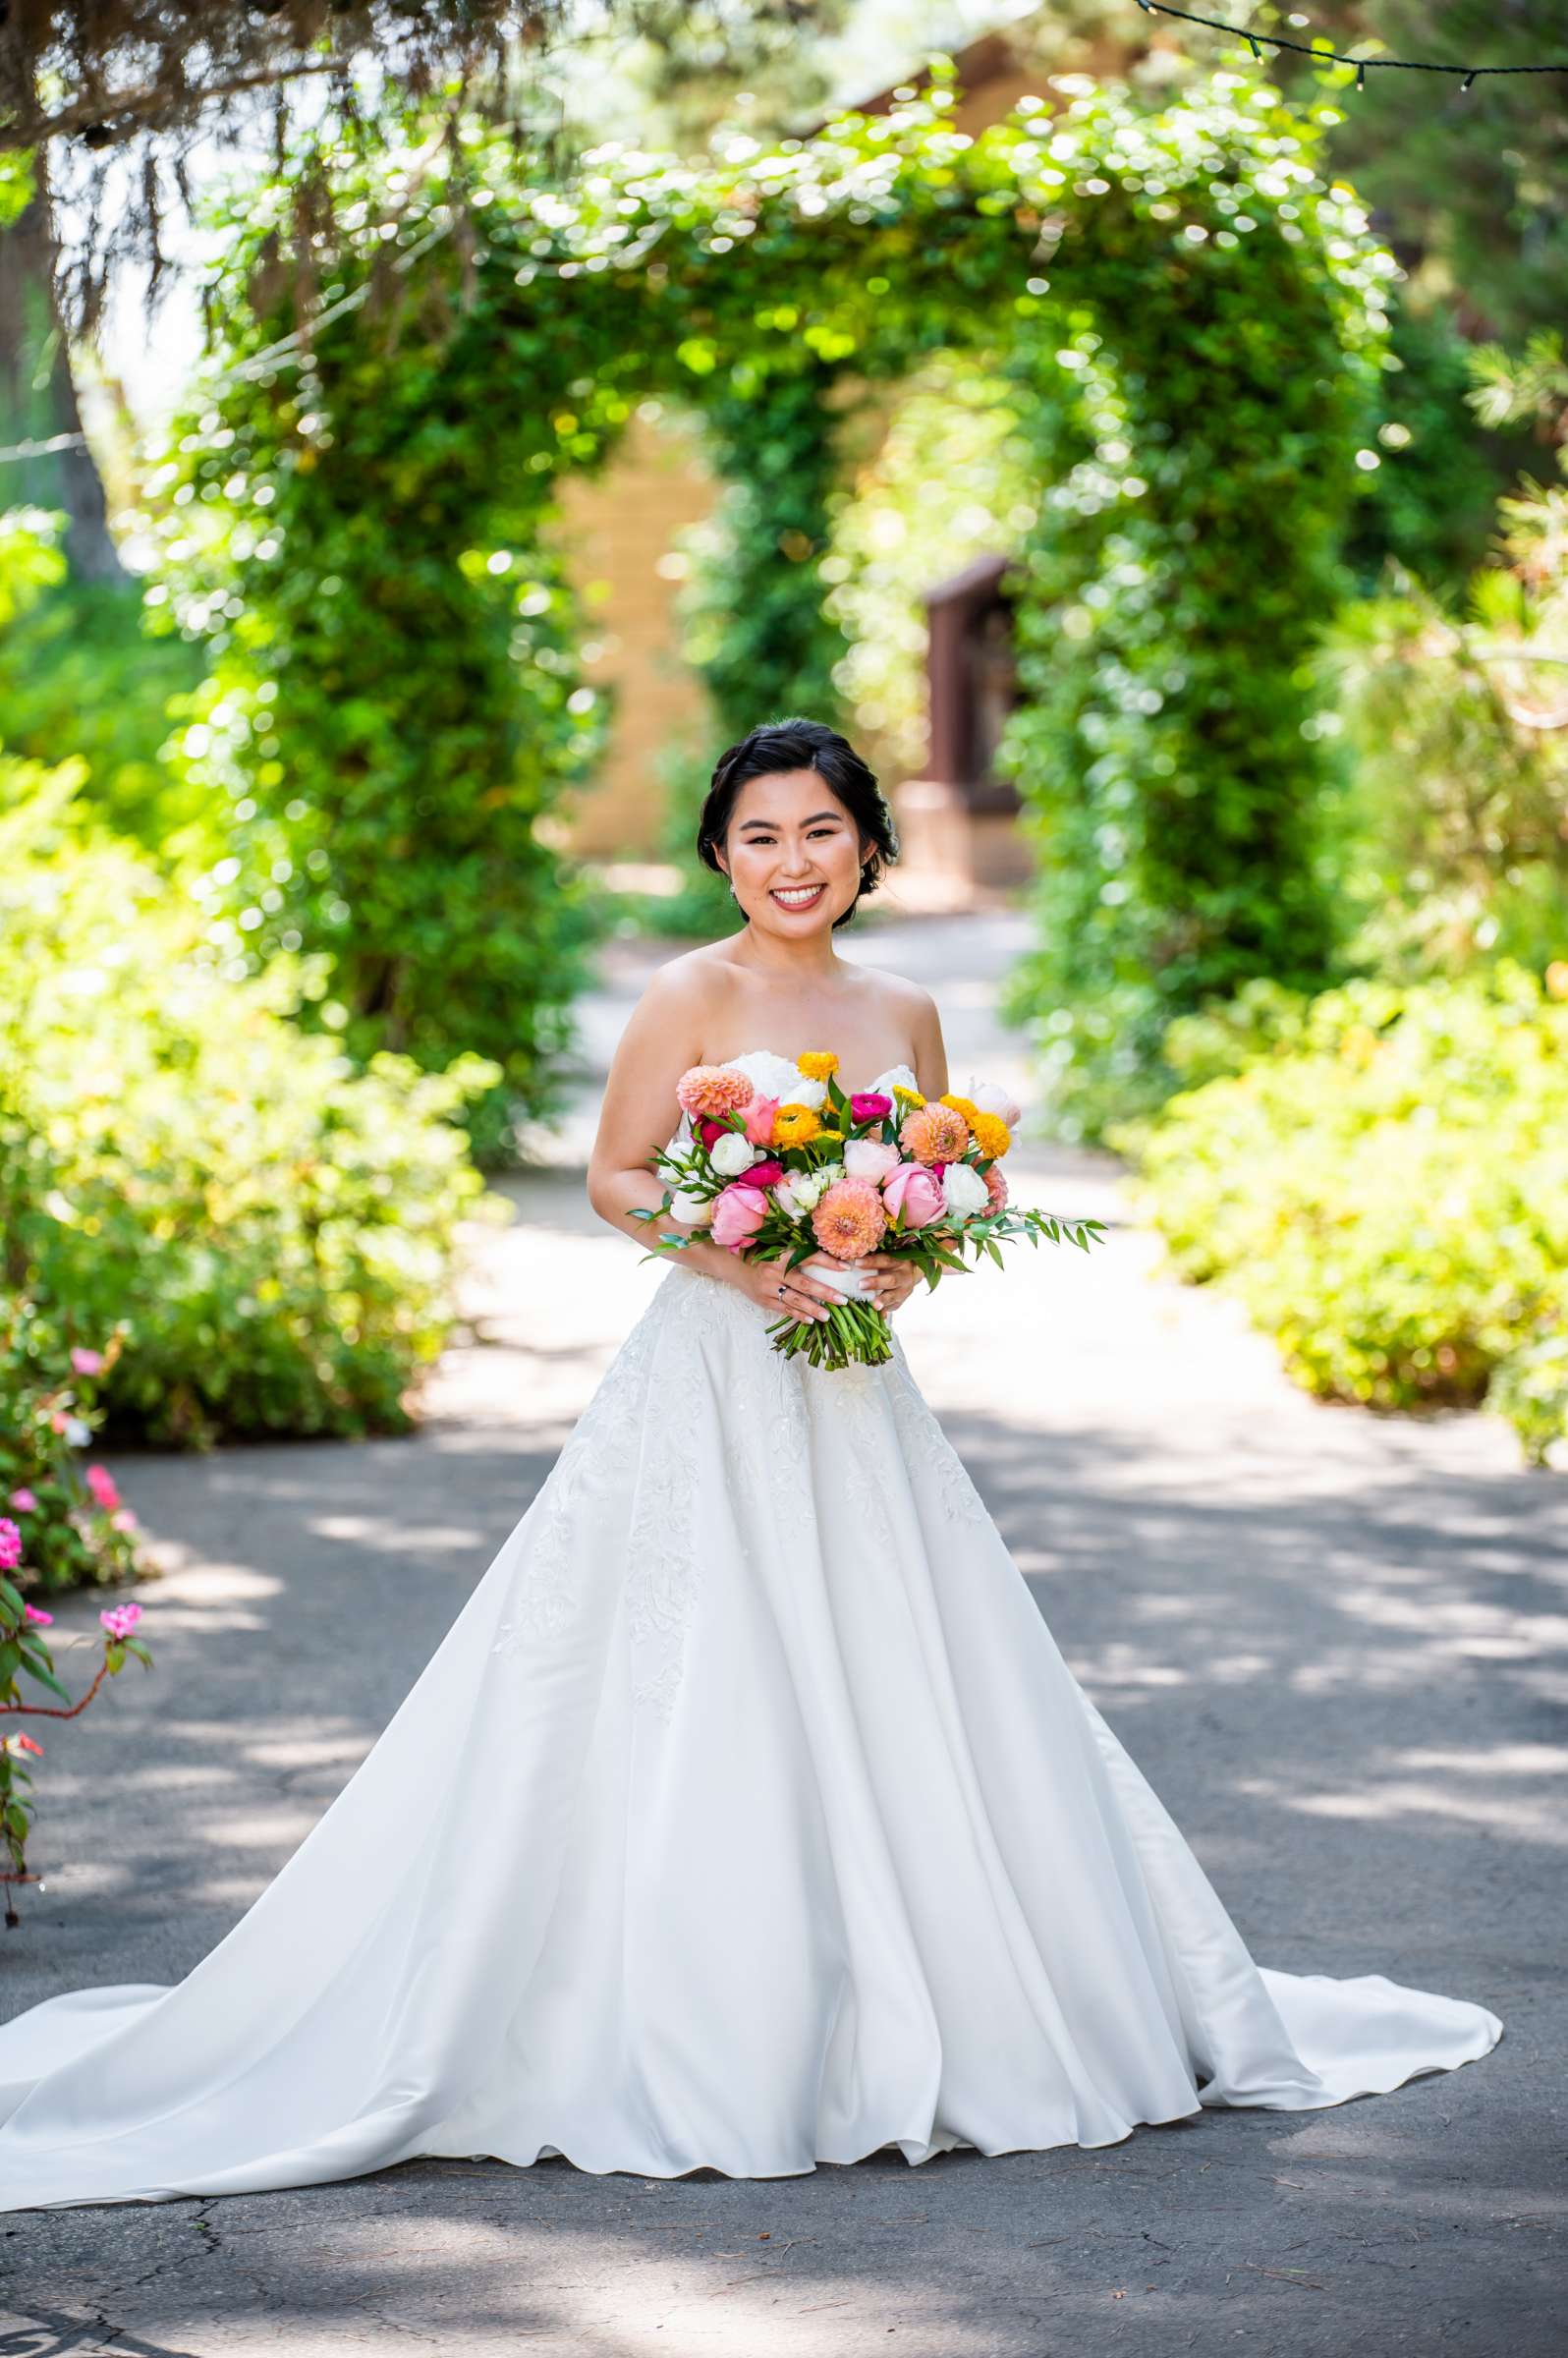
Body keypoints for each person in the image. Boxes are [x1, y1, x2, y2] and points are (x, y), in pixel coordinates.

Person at [0, 715, 1500, 2213]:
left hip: (854, 1387)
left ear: (868, 849)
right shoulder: (685, 994)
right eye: (761, 836)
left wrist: (915, 1259)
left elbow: (945, 1183)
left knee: (901, 1653)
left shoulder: (905, 1007)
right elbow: (618, 1174)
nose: (793, 862)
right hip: (713, 1371)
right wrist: (737, 1260)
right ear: (720, 854)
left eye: (823, 832)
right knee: (683, 1652)